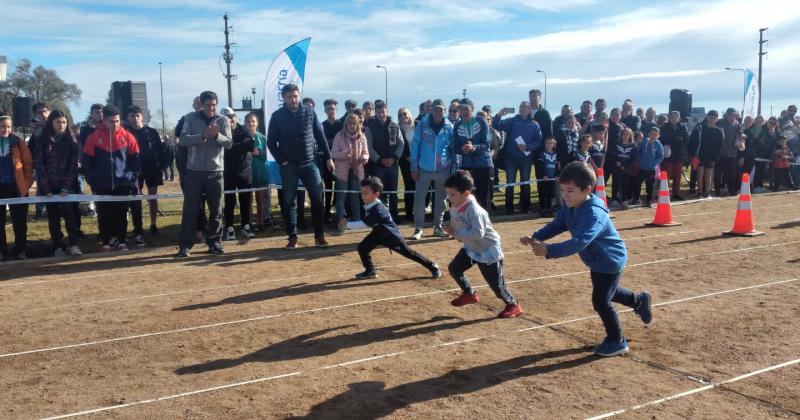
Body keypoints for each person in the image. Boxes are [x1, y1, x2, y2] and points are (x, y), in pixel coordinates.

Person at [523, 161, 652, 356]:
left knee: (601, 300)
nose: (564, 195)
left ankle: (617, 341)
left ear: (587, 190)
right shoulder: (571, 205)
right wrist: (537, 237)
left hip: (610, 260)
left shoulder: (593, 213)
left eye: (570, 191)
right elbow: (558, 224)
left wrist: (548, 250)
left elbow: (579, 242)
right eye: (563, 190)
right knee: (609, 292)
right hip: (596, 260)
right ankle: (639, 301)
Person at [443, 170, 522, 318]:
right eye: (448, 194)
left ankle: (513, 304)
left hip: (488, 251)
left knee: (497, 286)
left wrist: (456, 233)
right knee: (454, 268)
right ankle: (470, 294)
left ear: (466, 194)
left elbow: (478, 233)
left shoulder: (475, 210)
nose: (449, 197)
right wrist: (454, 232)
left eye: (452, 194)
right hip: (471, 248)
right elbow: (460, 231)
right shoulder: (454, 207)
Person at [267, 84, 334, 249]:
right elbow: (270, 142)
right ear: (284, 98)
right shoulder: (277, 116)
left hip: (310, 163)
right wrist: (282, 160)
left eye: (295, 96)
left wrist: (328, 157)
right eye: (289, 97)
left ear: (299, 96)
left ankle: (319, 236)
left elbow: (320, 136)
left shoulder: (310, 112)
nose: (293, 99)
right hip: (288, 165)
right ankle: (292, 237)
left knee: (318, 200)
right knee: (289, 202)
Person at [175, 91, 232, 257]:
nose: (211, 108)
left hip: (216, 172)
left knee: (216, 210)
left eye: (214, 105)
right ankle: (185, 245)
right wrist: (202, 136)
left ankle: (214, 242)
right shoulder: (191, 118)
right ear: (201, 104)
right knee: (191, 209)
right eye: (208, 105)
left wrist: (216, 135)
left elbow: (229, 143)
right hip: (194, 171)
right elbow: (183, 140)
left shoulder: (223, 120)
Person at [355, 176, 441, 280]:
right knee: (362, 248)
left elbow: (364, 223)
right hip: (378, 233)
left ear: (376, 194)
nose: (362, 196)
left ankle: (432, 266)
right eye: (362, 192)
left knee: (410, 253)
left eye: (365, 193)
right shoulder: (371, 203)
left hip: (391, 236)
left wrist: (345, 225)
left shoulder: (378, 210)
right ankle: (370, 271)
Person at [83, 106, 141, 252]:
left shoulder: (128, 136)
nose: (115, 124)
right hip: (101, 185)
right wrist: (93, 182)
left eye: (117, 121)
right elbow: (87, 163)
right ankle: (106, 242)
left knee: (121, 214)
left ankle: (122, 241)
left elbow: (135, 162)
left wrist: (131, 180)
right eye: (111, 121)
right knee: (103, 214)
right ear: (104, 120)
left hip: (123, 184)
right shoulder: (93, 137)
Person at [35, 110, 82, 257]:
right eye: (58, 122)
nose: (61, 125)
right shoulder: (43, 139)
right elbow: (40, 166)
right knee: (53, 218)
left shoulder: (72, 141)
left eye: (63, 122)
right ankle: (57, 247)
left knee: (70, 216)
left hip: (66, 187)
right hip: (49, 188)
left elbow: (73, 166)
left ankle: (73, 245)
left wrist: (66, 187)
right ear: (52, 123)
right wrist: (46, 188)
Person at [410, 99, 455, 240]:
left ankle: (438, 227)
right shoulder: (422, 125)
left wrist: (453, 169)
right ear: (431, 110)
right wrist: (414, 167)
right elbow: (415, 145)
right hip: (423, 168)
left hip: (443, 169)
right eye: (436, 109)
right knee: (419, 199)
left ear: (445, 111)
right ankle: (418, 228)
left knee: (441, 199)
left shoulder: (449, 127)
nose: (438, 112)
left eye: (441, 110)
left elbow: (453, 149)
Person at [494, 101, 542, 214]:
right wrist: (499, 115)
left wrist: (527, 147)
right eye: (520, 107)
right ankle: (509, 209)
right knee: (510, 183)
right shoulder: (512, 121)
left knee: (525, 183)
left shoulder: (535, 124)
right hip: (510, 158)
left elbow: (539, 142)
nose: (522, 109)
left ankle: (525, 208)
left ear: (529, 109)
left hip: (526, 159)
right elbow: (496, 124)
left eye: (524, 107)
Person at [125, 105, 164, 244]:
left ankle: (153, 224)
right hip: (135, 170)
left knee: (152, 197)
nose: (135, 118)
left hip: (152, 169)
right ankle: (138, 228)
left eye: (138, 115)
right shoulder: (125, 132)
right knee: (136, 199)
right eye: (132, 116)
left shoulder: (152, 132)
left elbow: (160, 150)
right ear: (127, 118)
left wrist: (162, 166)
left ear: (142, 116)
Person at [0, 116, 33, 260]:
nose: (5, 129)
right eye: (2, 126)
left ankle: (21, 249)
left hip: (17, 187)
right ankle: (2, 251)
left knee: (19, 221)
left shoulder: (18, 142)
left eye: (8, 126)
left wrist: (26, 185)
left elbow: (28, 164)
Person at [175, 96, 208, 241]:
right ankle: (195, 231)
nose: (201, 106)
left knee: (209, 203)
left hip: (209, 170)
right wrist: (182, 172)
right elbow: (180, 147)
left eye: (203, 104)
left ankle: (205, 230)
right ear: (194, 105)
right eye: (198, 104)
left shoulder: (214, 120)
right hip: (190, 170)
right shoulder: (186, 120)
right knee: (193, 204)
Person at [220, 107, 255, 241]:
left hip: (244, 171)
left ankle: (246, 227)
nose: (231, 119)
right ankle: (229, 229)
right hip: (227, 172)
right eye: (228, 117)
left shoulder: (242, 129)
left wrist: (233, 147)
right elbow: (227, 148)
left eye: (233, 116)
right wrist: (239, 146)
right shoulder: (221, 132)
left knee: (245, 201)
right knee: (229, 201)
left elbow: (250, 144)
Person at [365, 100, 403, 221]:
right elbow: (369, 147)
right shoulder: (370, 128)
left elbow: (401, 143)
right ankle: (380, 216)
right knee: (378, 192)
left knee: (393, 192)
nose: (381, 114)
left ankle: (394, 216)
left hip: (392, 165)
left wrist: (394, 158)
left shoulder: (394, 125)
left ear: (387, 111)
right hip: (378, 166)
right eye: (379, 112)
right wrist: (380, 159)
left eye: (383, 112)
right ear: (375, 113)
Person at [332, 113, 369, 234]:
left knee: (355, 197)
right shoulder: (339, 136)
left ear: (357, 124)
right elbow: (333, 154)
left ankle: (357, 221)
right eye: (349, 123)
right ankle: (340, 223)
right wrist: (344, 155)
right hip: (342, 172)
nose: (352, 125)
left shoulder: (362, 137)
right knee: (341, 198)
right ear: (346, 124)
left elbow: (366, 152)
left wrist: (364, 157)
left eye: (354, 123)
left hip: (356, 171)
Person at [454, 98, 493, 211]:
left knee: (483, 197)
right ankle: (467, 223)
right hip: (466, 165)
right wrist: (462, 149)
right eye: (461, 109)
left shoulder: (481, 121)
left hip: (483, 164)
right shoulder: (457, 125)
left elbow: (486, 144)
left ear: (472, 109)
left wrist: (474, 147)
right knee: (466, 197)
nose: (463, 111)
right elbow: (456, 147)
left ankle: (485, 225)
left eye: (466, 108)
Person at [688, 110, 723, 198]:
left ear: (717, 119)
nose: (712, 120)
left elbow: (719, 146)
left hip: (711, 156)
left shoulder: (719, 131)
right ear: (707, 117)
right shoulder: (700, 127)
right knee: (700, 174)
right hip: (699, 155)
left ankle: (707, 192)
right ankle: (699, 192)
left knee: (709, 174)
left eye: (714, 118)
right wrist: (693, 154)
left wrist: (716, 158)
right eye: (710, 118)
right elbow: (692, 140)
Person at [247, 112, 271, 230]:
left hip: (260, 172)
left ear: (257, 123)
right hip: (247, 173)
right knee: (248, 201)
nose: (251, 123)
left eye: (253, 121)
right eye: (248, 121)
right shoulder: (243, 137)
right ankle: (249, 223)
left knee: (260, 200)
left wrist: (259, 153)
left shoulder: (262, 138)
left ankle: (261, 222)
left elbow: (268, 154)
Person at [659, 111, 689, 200]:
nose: (673, 118)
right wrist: (677, 140)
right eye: (672, 117)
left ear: (679, 118)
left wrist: (674, 141)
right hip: (668, 156)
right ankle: (665, 193)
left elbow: (686, 141)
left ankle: (676, 193)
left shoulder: (683, 127)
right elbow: (664, 139)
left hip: (679, 155)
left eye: (675, 117)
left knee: (677, 176)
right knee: (666, 176)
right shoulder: (664, 127)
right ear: (669, 118)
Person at [322, 99, 343, 221]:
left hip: (340, 161)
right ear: (325, 110)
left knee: (339, 186)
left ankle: (337, 208)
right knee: (328, 186)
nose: (331, 111)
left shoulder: (341, 125)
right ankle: (327, 210)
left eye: (333, 109)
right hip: (327, 160)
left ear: (336, 110)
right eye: (328, 109)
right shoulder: (322, 125)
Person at [28, 102, 50, 219]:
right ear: (36, 115)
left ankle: (58, 211)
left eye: (45, 111)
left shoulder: (57, 125)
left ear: (49, 112)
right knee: (41, 189)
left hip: (57, 166)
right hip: (41, 165)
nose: (43, 114)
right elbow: (30, 148)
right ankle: (39, 212)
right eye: (39, 112)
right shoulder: (35, 131)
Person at [397, 107, 417, 223]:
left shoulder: (417, 126)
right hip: (405, 163)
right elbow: (398, 146)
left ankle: (418, 211)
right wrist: (406, 157)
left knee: (418, 187)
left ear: (409, 114)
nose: (402, 116)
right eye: (400, 115)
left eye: (404, 114)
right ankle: (409, 213)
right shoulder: (398, 129)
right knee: (409, 187)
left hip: (419, 162)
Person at [715, 108, 741, 196]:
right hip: (720, 153)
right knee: (718, 172)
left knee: (731, 173)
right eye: (729, 114)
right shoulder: (719, 122)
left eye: (733, 114)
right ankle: (717, 189)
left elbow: (740, 136)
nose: (731, 116)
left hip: (733, 153)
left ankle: (731, 189)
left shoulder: (738, 124)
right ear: (726, 114)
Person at [638, 127, 665, 207]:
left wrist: (654, 164)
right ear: (649, 134)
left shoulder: (658, 144)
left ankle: (649, 201)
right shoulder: (644, 142)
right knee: (637, 183)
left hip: (651, 169)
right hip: (642, 168)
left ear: (658, 136)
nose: (653, 136)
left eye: (655, 135)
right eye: (652, 134)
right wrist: (640, 161)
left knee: (650, 185)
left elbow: (661, 156)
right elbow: (639, 152)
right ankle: (636, 198)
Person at [613, 128, 635, 208]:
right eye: (624, 134)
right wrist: (617, 162)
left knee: (625, 184)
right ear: (621, 135)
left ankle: (624, 200)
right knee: (616, 183)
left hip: (626, 169)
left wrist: (624, 166)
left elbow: (633, 159)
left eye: (627, 134)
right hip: (617, 168)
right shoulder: (617, 144)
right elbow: (614, 155)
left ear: (630, 136)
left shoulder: (633, 146)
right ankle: (614, 199)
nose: (625, 136)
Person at [537, 136, 559, 217]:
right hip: (544, 178)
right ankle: (543, 209)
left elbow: (557, 166)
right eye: (547, 143)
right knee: (543, 193)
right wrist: (543, 175)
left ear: (554, 144)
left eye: (551, 143)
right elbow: (540, 166)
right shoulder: (542, 154)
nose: (549, 145)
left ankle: (549, 208)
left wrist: (557, 175)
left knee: (550, 193)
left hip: (552, 178)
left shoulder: (556, 154)